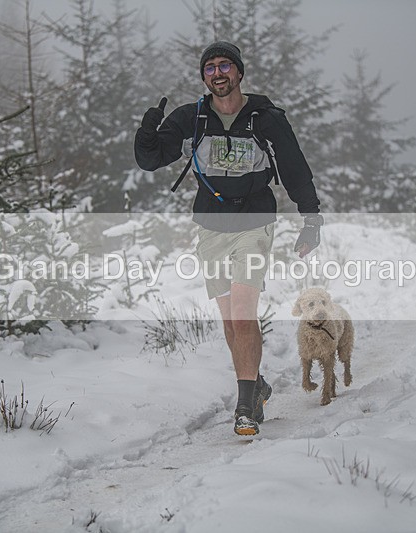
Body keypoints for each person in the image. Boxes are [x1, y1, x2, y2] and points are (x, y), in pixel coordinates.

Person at [134, 41, 323, 436]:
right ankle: (257, 383)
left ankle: (245, 406)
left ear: (238, 73)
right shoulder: (193, 117)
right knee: (230, 322)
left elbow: (293, 167)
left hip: (254, 221)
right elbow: (151, 160)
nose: (218, 74)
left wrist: (311, 219)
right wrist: (147, 130)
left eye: (225, 66)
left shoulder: (265, 117)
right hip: (210, 224)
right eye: (210, 69)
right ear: (204, 77)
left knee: (242, 311)